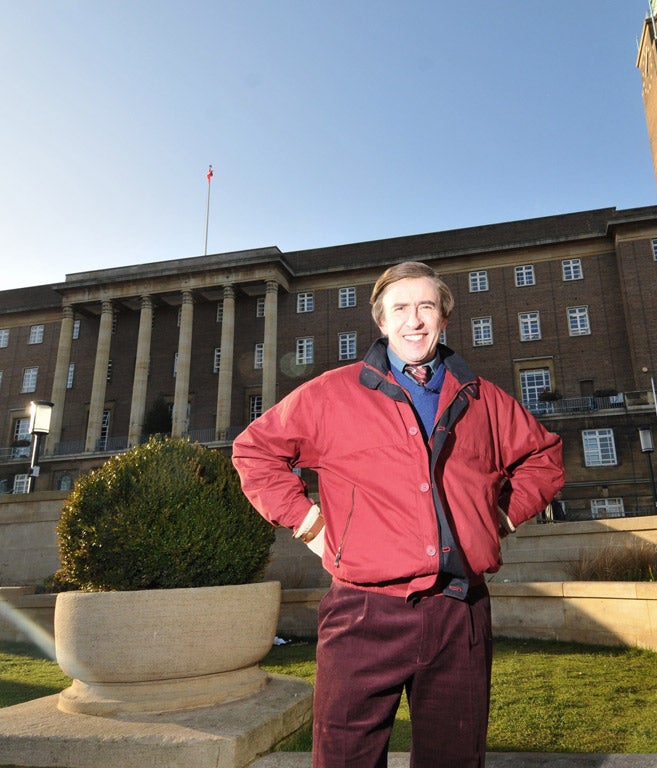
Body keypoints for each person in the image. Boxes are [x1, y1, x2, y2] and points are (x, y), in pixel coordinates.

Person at [232, 261, 565, 767]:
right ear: (382, 322)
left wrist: (499, 519)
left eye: (426, 307)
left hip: (461, 611)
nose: (415, 320)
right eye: (401, 309)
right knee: (346, 758)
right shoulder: (332, 393)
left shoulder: (483, 398)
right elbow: (254, 451)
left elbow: (544, 459)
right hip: (364, 613)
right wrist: (310, 524)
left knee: (453, 759)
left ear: (444, 318)